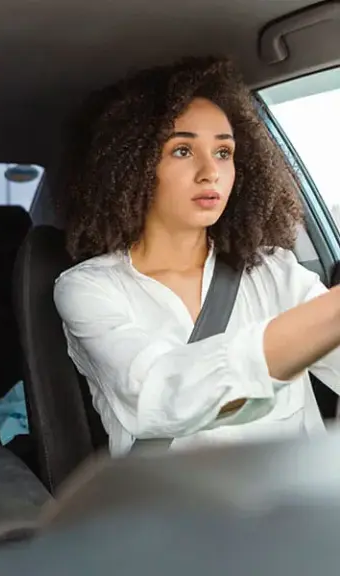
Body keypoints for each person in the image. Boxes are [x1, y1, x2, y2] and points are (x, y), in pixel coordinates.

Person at [53, 55, 340, 457]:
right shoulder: (89, 289)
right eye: (183, 151)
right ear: (132, 166)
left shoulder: (275, 271)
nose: (211, 172)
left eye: (224, 153)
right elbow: (162, 393)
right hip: (172, 517)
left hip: (295, 513)